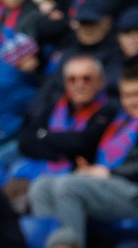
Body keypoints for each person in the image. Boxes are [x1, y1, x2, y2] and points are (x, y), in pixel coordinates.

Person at [28, 65, 138, 243]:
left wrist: (111, 172)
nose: (133, 101)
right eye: (127, 96)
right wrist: (88, 167)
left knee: (67, 187)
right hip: (112, 186)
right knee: (42, 186)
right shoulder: (122, 120)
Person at [15, 54, 115, 182]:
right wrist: (61, 153)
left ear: (101, 81)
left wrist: (44, 135)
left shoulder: (108, 110)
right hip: (44, 172)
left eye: (87, 79)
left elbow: (82, 143)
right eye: (72, 80)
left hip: (78, 179)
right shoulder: (57, 107)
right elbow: (25, 141)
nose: (79, 85)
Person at [0, 32, 43, 160]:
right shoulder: (9, 83)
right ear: (18, 58)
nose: (36, 61)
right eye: (31, 57)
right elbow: (33, 99)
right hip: (7, 128)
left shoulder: (1, 65)